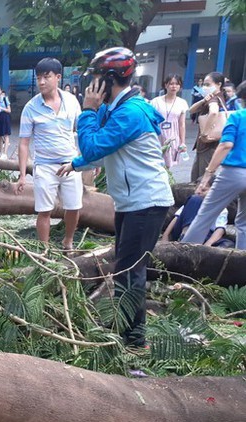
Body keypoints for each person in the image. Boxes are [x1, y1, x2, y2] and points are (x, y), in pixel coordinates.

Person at [60, 47, 174, 348]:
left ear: (110, 80)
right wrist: (73, 165)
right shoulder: (118, 111)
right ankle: (125, 324)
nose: (92, 86)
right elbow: (100, 152)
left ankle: (134, 340)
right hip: (132, 202)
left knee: (129, 272)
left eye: (97, 79)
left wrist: (87, 111)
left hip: (145, 203)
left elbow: (95, 146)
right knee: (126, 269)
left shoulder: (130, 113)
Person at [16, 57, 83, 250]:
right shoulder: (31, 107)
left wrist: (88, 160)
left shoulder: (72, 102)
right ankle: (44, 251)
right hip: (44, 166)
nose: (42, 82)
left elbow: (83, 131)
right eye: (39, 78)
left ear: (58, 77)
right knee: (44, 210)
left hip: (71, 164)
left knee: (74, 207)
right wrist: (22, 176)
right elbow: (23, 143)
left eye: (47, 76)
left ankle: (68, 242)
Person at [181, 81, 246, 249]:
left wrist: (208, 174)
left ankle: (183, 257)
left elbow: (225, 145)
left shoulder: (238, 117)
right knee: (244, 221)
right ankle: (240, 264)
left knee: (206, 215)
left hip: (234, 172)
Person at [188, 71, 226, 183]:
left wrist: (204, 133)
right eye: (204, 84)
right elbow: (191, 110)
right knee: (198, 179)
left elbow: (213, 112)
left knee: (201, 181)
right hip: (205, 146)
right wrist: (204, 100)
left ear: (218, 84)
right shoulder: (215, 98)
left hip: (208, 146)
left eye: (208, 84)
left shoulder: (214, 99)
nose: (205, 87)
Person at [150, 75, 189, 168]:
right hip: (158, 136)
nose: (174, 86)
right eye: (171, 84)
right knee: (155, 162)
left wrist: (182, 142)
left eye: (177, 84)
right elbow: (151, 121)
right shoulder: (156, 102)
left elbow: (182, 124)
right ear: (166, 85)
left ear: (180, 86)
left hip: (173, 137)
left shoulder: (182, 103)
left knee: (168, 164)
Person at [162, 195, 231, 247]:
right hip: (183, 232)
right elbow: (177, 218)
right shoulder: (193, 201)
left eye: (204, 190)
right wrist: (165, 235)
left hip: (204, 235)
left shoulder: (220, 208)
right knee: (195, 199)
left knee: (227, 243)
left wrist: (208, 243)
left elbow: (220, 229)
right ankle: (185, 236)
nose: (199, 192)